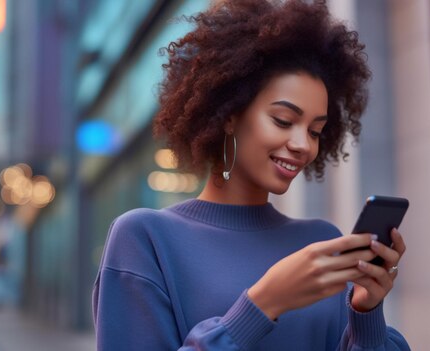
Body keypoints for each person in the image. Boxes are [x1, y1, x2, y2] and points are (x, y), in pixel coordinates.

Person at [92, 0, 410, 350]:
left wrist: (366, 312)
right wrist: (263, 303)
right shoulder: (145, 238)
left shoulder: (321, 241)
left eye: (316, 131)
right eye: (283, 121)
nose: (303, 144)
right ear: (229, 114)